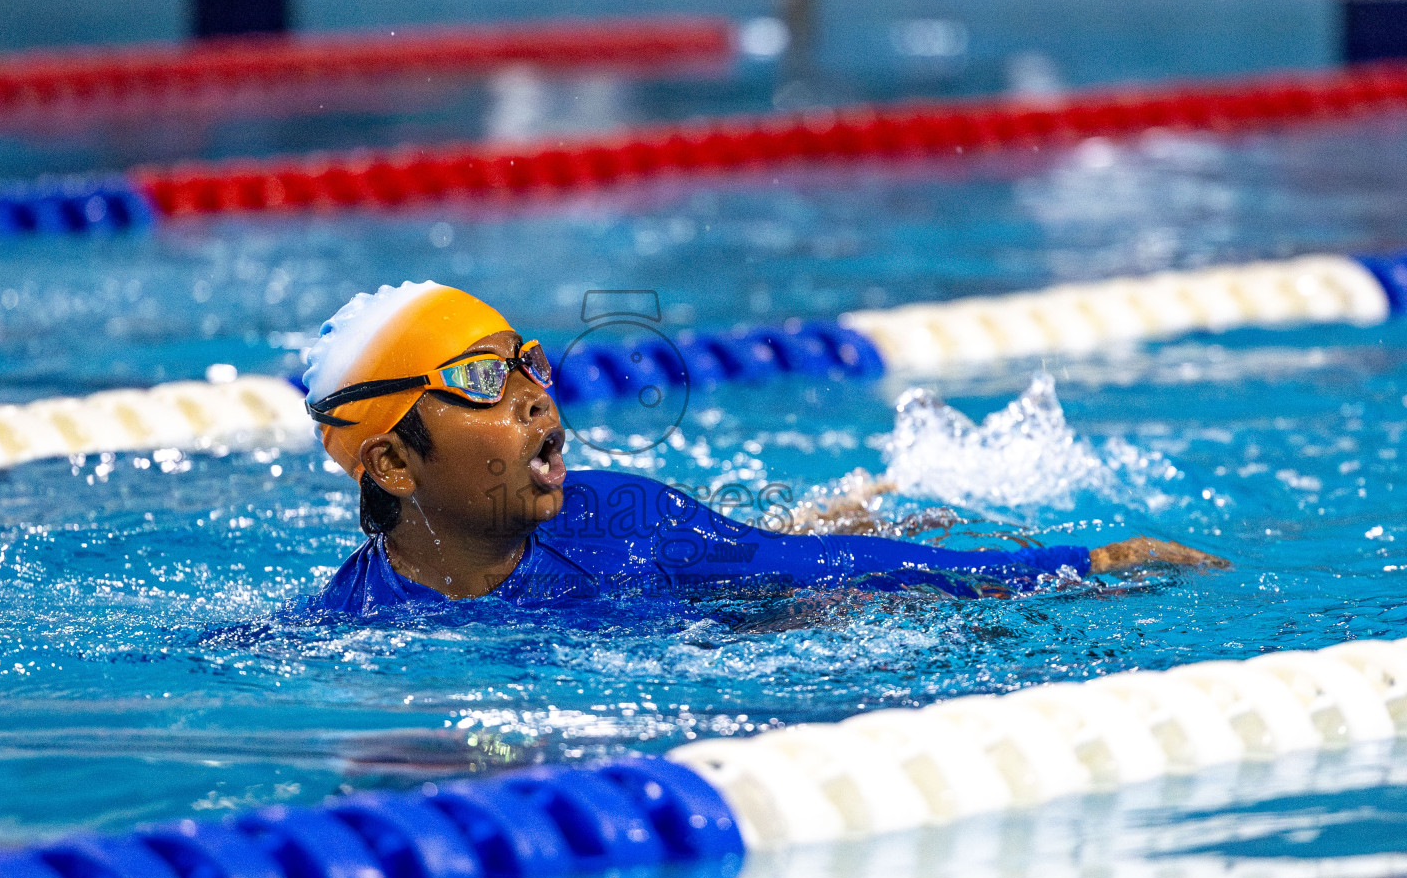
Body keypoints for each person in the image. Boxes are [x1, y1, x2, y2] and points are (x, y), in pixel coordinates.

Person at [297, 281, 1226, 615]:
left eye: (528, 364)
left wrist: (1079, 563)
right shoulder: (349, 622)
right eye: (484, 382)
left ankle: (861, 493)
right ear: (390, 464)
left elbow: (828, 566)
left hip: (711, 581)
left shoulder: (623, 522)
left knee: (829, 599)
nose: (538, 397)